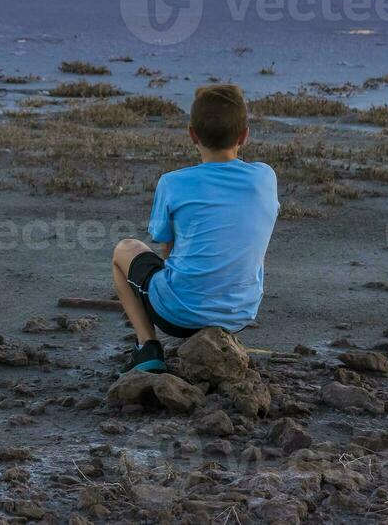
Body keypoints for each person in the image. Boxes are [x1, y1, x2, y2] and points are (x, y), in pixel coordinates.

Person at [110, 84, 280, 373]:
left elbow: (168, 249)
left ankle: (147, 347)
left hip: (178, 316)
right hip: (240, 313)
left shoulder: (172, 183)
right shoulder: (265, 177)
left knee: (124, 250)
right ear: (244, 135)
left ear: (192, 134)